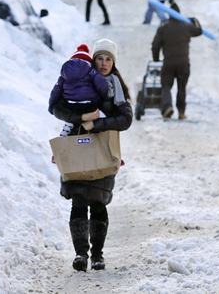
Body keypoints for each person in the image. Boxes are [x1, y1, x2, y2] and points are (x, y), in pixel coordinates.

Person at [50, 39, 133, 272]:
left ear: (113, 62)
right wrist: (80, 119)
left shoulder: (115, 85)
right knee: (78, 200)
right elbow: (56, 107)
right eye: (100, 58)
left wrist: (97, 124)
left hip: (102, 150)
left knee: (98, 202)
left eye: (108, 59)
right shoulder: (76, 80)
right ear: (93, 60)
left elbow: (125, 119)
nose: (104, 63)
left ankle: (97, 255)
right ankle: (80, 255)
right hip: (76, 148)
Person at [151, 3, 202, 119]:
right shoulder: (186, 26)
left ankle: (167, 106)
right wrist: (194, 21)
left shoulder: (163, 28)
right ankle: (181, 111)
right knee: (182, 87)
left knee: (166, 86)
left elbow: (155, 44)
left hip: (168, 62)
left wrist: (156, 58)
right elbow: (199, 31)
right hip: (183, 62)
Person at [48, 44, 111, 131]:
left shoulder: (64, 75)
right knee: (102, 115)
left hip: (70, 105)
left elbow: (56, 91)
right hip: (89, 105)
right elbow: (102, 84)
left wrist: (51, 107)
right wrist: (104, 96)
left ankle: (69, 125)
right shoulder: (91, 71)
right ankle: (101, 131)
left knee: (70, 115)